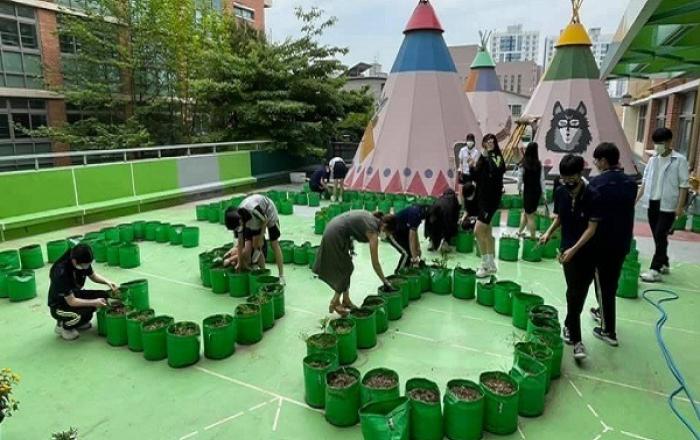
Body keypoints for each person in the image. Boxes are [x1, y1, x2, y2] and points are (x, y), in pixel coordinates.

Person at [540, 154, 601, 360]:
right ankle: (577, 342)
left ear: (580, 173)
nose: (568, 183)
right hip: (567, 252)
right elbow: (560, 217)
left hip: (588, 251)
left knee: (580, 292)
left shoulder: (593, 195)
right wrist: (548, 232)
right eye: (564, 179)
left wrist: (574, 249)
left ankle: (568, 324)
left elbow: (591, 229)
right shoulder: (560, 192)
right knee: (573, 293)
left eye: (572, 179)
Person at [588, 142, 638, 347]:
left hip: (602, 243)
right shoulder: (630, 183)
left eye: (597, 160)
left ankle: (608, 331)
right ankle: (603, 311)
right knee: (610, 282)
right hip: (622, 241)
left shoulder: (597, 184)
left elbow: (590, 214)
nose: (595, 163)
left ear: (603, 161)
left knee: (604, 285)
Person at [313, 210, 393, 316]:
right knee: (346, 269)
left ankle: (346, 300)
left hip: (336, 229)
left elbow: (351, 226)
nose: (387, 236)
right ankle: (335, 301)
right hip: (335, 234)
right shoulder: (372, 231)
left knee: (347, 266)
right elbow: (375, 263)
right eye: (388, 233)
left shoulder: (373, 220)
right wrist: (385, 282)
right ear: (384, 226)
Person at [637, 127, 690, 282]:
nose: (657, 146)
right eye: (656, 143)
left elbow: (684, 185)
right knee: (658, 236)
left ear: (669, 142)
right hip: (652, 202)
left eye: (661, 143)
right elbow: (644, 182)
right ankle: (664, 262)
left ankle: (655, 270)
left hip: (668, 205)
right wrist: (635, 199)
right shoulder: (653, 160)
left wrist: (679, 207)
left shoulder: (679, 160)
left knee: (660, 234)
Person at [48, 243, 118, 341]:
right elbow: (71, 301)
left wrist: (108, 282)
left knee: (103, 295)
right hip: (59, 306)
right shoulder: (61, 272)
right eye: (85, 265)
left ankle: (77, 322)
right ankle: (63, 326)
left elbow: (93, 276)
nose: (87, 266)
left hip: (73, 294)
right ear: (74, 261)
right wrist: (94, 302)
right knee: (81, 315)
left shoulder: (81, 258)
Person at [227, 194, 285, 284]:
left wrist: (261, 237)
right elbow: (240, 243)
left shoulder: (252, 209)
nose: (238, 229)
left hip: (268, 214)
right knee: (256, 245)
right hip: (255, 220)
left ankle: (281, 275)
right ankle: (263, 272)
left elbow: (265, 220)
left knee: (274, 244)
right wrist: (240, 263)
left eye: (238, 226)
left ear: (240, 220)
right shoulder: (238, 222)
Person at [470, 133, 506, 277]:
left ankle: (484, 265)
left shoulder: (496, 157)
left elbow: (497, 171)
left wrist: (487, 156)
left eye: (492, 142)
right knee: (487, 232)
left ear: (495, 144)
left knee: (478, 231)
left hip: (490, 200)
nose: (490, 143)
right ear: (483, 143)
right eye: (487, 141)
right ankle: (491, 265)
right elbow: (476, 176)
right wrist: (472, 166)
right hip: (482, 198)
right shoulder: (483, 157)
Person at [383, 205, 428, 272]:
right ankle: (398, 273)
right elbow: (412, 238)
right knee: (406, 253)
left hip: (402, 233)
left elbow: (414, 234)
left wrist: (417, 247)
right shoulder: (415, 214)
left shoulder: (417, 215)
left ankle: (408, 270)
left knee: (412, 252)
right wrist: (415, 258)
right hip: (392, 233)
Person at [517, 142, 546, 239]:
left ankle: (532, 237)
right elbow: (542, 180)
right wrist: (544, 194)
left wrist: (519, 189)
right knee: (527, 213)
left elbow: (519, 179)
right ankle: (519, 232)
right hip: (537, 191)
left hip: (528, 191)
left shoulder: (523, 164)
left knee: (530, 216)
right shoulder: (539, 164)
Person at [458, 133, 481, 204]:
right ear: (466, 141)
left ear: (474, 141)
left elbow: (476, 164)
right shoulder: (462, 150)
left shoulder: (476, 152)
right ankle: (462, 205)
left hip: (471, 174)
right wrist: (460, 171)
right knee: (461, 190)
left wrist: (472, 162)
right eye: (468, 140)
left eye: (471, 140)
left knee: (470, 191)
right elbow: (460, 162)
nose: (470, 142)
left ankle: (470, 204)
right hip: (463, 173)